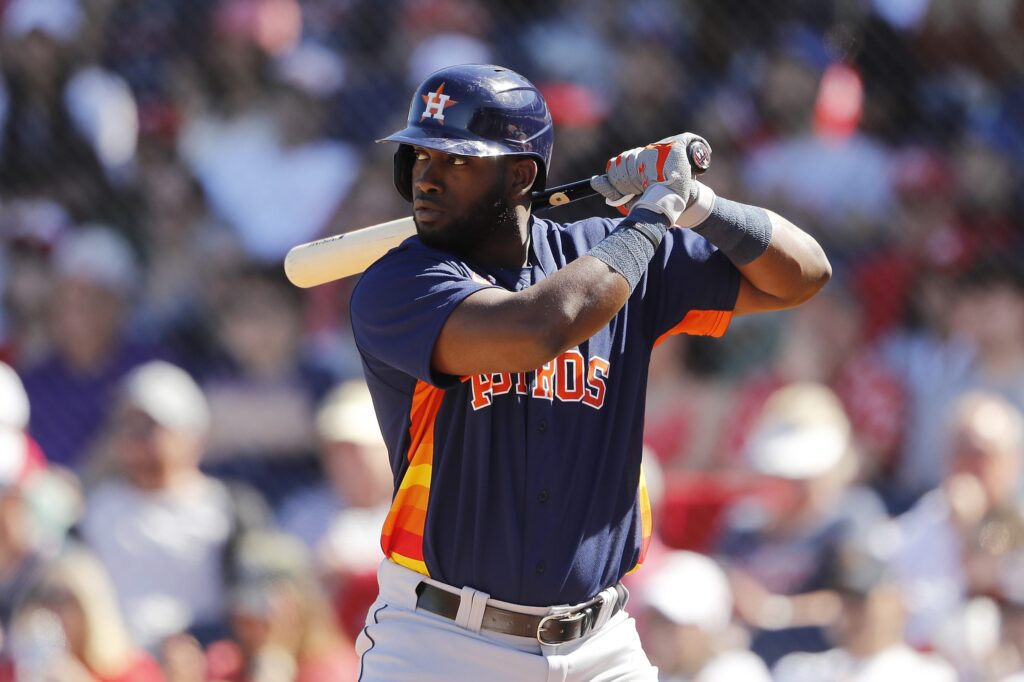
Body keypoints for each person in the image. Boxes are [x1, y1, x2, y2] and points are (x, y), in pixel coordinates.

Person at [347, 64, 830, 679]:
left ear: (521, 175)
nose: (426, 178)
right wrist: (653, 216)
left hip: (599, 646)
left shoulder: (607, 253)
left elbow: (803, 274)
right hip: (443, 641)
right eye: (419, 157)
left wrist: (699, 203)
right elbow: (539, 327)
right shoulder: (398, 282)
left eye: (457, 161)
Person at [80, 360, 272, 650]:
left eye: (149, 426)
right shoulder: (94, 509)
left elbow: (257, 593)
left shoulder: (231, 508)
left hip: (208, 656)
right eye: (127, 425)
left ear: (193, 436)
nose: (137, 437)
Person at [1, 546, 164, 682]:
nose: (50, 608)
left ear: (89, 605)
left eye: (61, 598)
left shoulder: (132, 668)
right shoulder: (17, 668)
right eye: (41, 596)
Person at [637, 551, 771, 682]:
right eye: (655, 620)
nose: (658, 637)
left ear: (707, 627)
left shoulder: (739, 672)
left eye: (671, 624)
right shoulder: (648, 673)